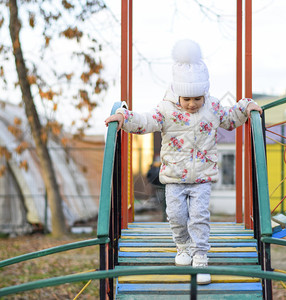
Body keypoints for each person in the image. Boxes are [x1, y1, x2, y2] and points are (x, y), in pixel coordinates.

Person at [105, 39, 262, 285]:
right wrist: (124, 116)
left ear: (205, 93)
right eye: (186, 98)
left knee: (199, 217)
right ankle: (182, 247)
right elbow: (146, 120)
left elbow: (231, 119)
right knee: (176, 216)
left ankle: (201, 257)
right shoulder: (166, 110)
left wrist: (246, 106)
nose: (192, 104)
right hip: (175, 178)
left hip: (202, 178)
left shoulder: (212, 108)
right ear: (177, 93)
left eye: (197, 98)